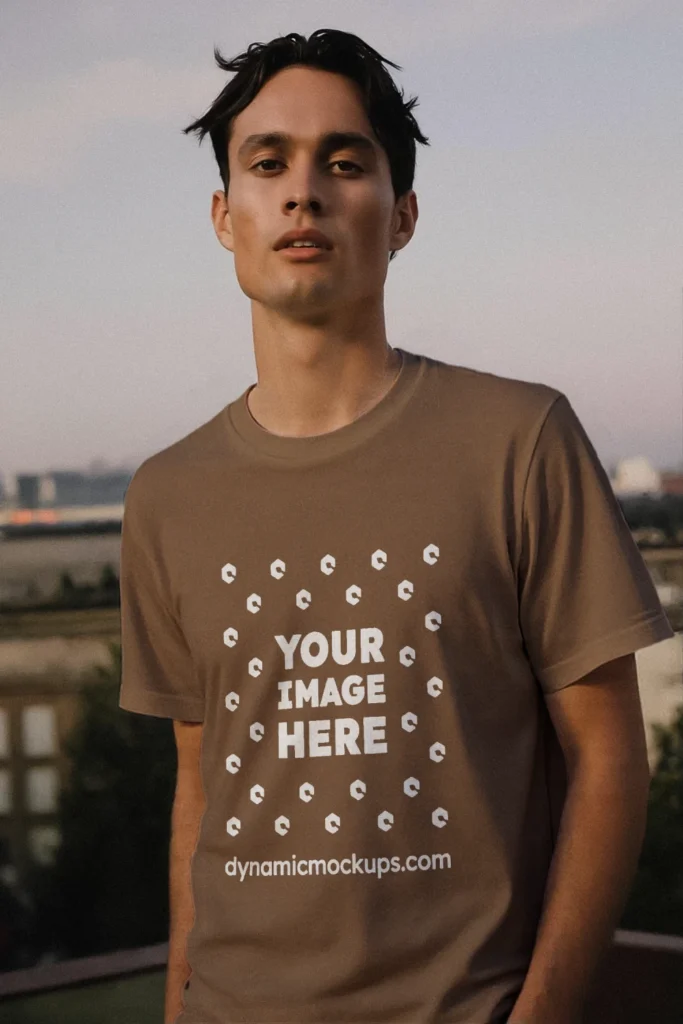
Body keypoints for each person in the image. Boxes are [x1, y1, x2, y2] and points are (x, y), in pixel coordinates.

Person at [118, 28, 674, 1024]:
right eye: (267, 163)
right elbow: (199, 792)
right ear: (223, 215)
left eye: (343, 161)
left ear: (403, 213)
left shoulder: (519, 439)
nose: (302, 192)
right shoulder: (166, 493)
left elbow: (605, 758)